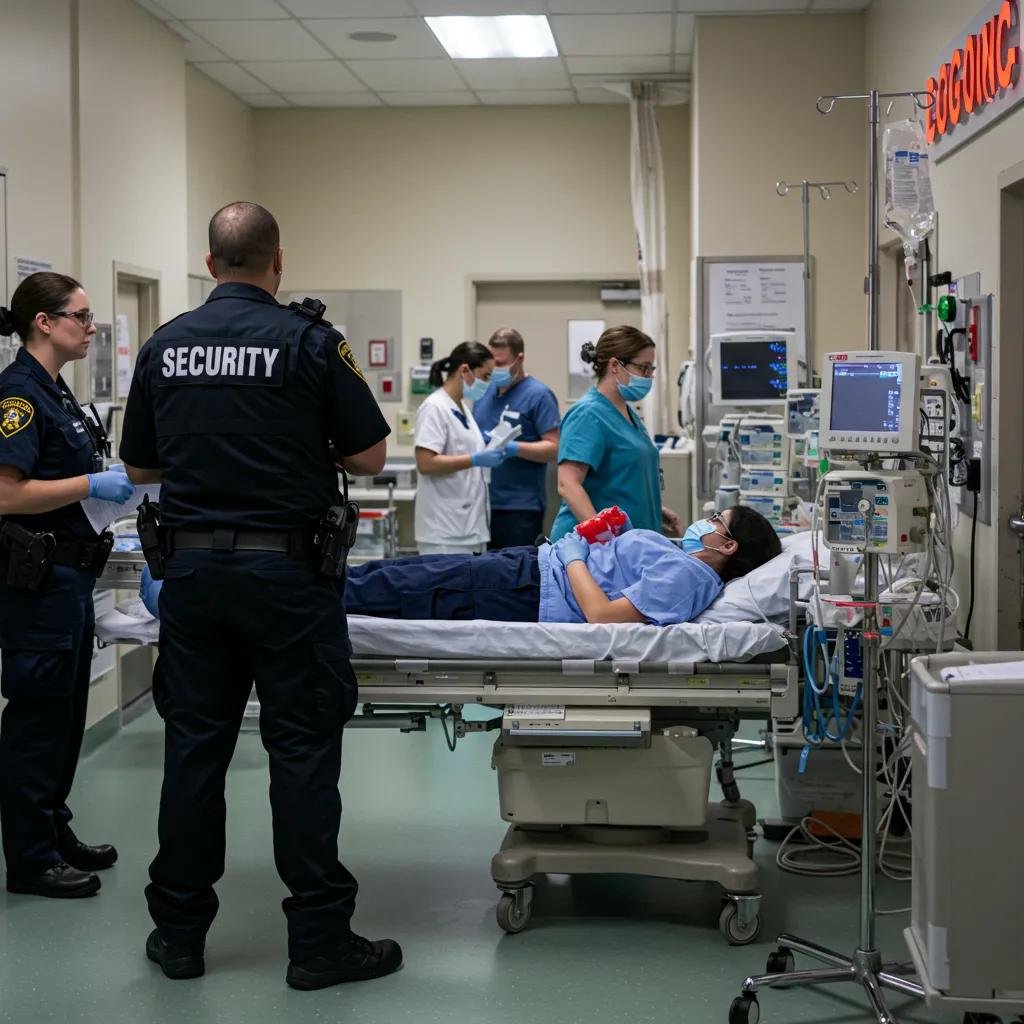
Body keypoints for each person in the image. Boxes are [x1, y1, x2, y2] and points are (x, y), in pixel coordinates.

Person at [119, 202, 399, 991]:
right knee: (301, 752)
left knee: (194, 751)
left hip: (193, 579)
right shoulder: (311, 342)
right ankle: (318, 942)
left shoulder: (165, 345)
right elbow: (371, 456)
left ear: (211, 264)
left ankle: (179, 935)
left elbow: (139, 467)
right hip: (289, 580)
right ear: (277, 261)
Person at [0, 273, 133, 899]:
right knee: (37, 721)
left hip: (71, 577)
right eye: (80, 316)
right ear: (44, 323)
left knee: (65, 716)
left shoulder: (56, 392)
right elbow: (6, 493)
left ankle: (54, 832)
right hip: (38, 584)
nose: (91, 327)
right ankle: (30, 859)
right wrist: (90, 485)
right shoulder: (19, 396)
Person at [140, 508, 779, 627]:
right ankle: (215, 588)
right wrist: (604, 544)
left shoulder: (693, 577)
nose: (703, 520)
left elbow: (603, 616)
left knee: (372, 588)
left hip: (526, 590)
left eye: (714, 521)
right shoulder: (684, 559)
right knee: (376, 578)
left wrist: (577, 555)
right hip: (524, 572)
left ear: (726, 548)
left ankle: (196, 599)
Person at [550, 325, 682, 541]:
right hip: (592, 549)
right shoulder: (588, 414)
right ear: (614, 365)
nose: (649, 376)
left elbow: (621, 479)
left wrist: (653, 510)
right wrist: (604, 538)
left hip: (629, 542)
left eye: (651, 369)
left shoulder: (628, 413)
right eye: (643, 368)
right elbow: (568, 484)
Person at [413, 340, 510, 555]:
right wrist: (474, 459)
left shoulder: (462, 409)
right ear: (465, 370)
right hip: (444, 531)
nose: (488, 383)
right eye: (485, 376)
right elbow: (426, 463)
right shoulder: (434, 407)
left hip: (470, 527)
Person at [472, 327, 560, 550]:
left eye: (501, 363)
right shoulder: (484, 393)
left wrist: (513, 448)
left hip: (520, 507)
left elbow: (555, 448)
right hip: (481, 504)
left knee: (516, 568)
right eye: (492, 363)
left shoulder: (538, 395)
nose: (495, 370)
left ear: (520, 359)